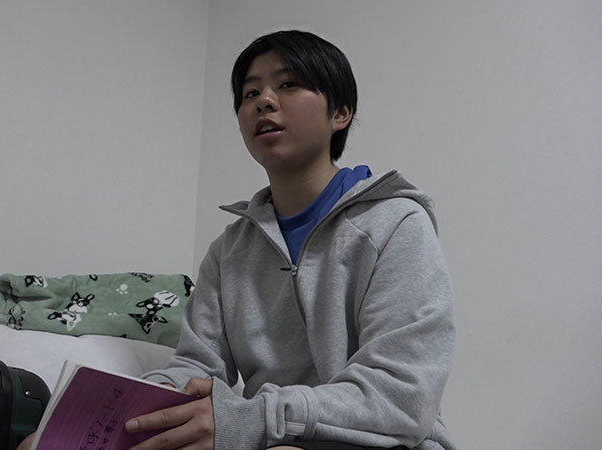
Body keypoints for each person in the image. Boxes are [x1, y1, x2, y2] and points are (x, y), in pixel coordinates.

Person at [123, 30, 457, 450]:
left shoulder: (395, 223)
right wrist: (135, 406)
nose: (264, 100)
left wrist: (249, 419)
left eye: (289, 84)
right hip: (270, 438)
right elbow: (195, 368)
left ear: (341, 113)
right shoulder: (229, 251)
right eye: (250, 93)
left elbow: (402, 397)